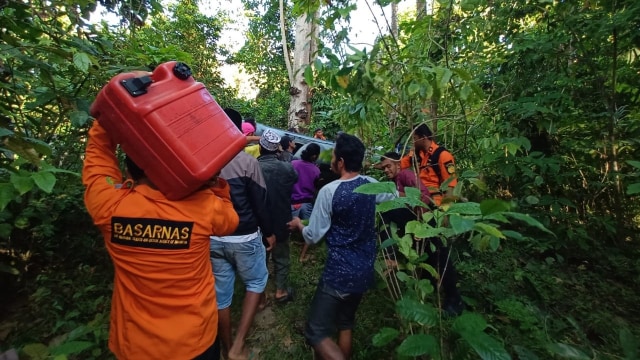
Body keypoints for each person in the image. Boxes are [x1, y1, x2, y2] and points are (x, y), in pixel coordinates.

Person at [82, 119, 239, 359]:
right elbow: (230, 222)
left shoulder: (109, 206)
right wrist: (212, 184)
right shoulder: (204, 207)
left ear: (128, 171)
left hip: (136, 346)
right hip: (195, 340)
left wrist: (111, 116)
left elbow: (98, 161)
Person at [288, 133, 394, 360]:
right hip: (364, 270)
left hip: (339, 273)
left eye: (334, 155)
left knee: (315, 332)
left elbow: (314, 236)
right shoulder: (372, 186)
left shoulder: (329, 191)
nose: (332, 159)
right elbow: (395, 194)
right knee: (345, 323)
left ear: (341, 162)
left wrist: (299, 225)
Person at [210, 108, 276, 360]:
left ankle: (226, 348)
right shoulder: (247, 162)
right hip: (244, 236)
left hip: (213, 237)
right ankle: (239, 344)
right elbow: (260, 202)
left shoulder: (204, 162)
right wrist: (269, 232)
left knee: (221, 295)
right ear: (237, 131)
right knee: (256, 282)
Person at [379, 152, 463, 315]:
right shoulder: (394, 181)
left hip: (426, 221)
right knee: (431, 258)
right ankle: (429, 300)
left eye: (388, 166)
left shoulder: (405, 174)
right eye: (383, 168)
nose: (386, 170)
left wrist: (422, 226)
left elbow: (421, 196)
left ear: (398, 165)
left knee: (440, 256)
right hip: (418, 223)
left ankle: (454, 299)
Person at [257, 130, 298, 303]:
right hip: (282, 220)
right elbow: (294, 180)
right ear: (277, 150)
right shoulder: (287, 168)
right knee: (282, 257)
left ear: (260, 148)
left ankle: (261, 295)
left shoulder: (253, 167)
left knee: (260, 258)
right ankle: (280, 291)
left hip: (259, 223)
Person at [401, 123, 457, 206]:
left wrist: (445, 209)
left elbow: (451, 184)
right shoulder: (416, 154)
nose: (412, 142)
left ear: (423, 138)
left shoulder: (443, 155)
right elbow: (400, 165)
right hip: (419, 198)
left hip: (435, 201)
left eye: (414, 138)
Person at [290, 143, 321, 262]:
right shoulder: (316, 170)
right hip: (306, 203)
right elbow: (315, 185)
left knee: (287, 228)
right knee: (308, 229)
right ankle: (302, 256)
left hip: (292, 202)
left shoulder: (293, 164)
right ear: (315, 156)